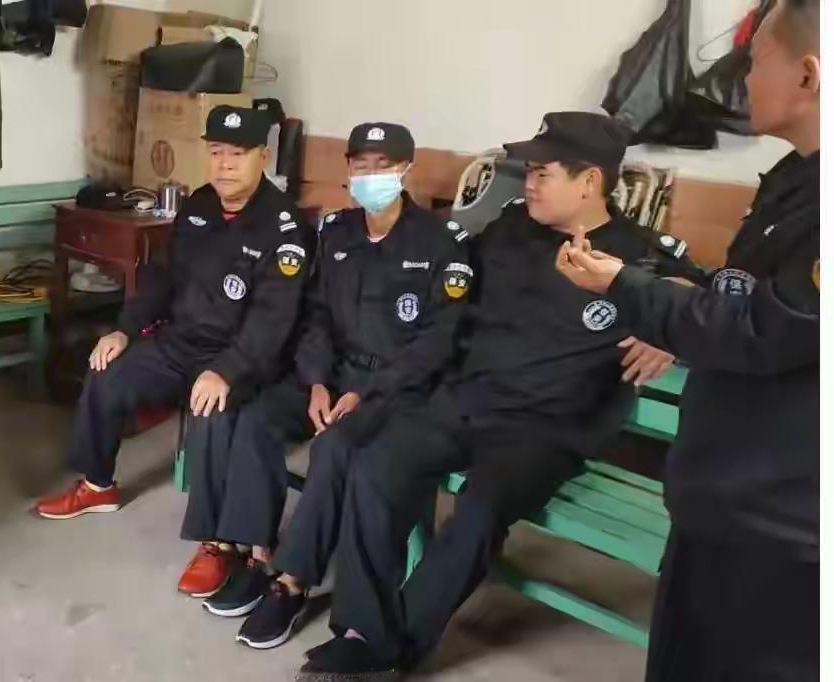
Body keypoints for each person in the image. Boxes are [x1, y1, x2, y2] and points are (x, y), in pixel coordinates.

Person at [295, 111, 704, 679]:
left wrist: (669, 323)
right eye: (528, 172)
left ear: (589, 181)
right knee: (374, 465)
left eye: (543, 173)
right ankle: (363, 631)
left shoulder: (637, 257)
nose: (528, 183)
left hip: (546, 428)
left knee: (479, 511)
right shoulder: (511, 228)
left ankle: (389, 650)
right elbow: (446, 273)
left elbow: (718, 301)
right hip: (467, 401)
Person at [557, 2, 819, 679]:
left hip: (784, 521)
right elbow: (747, 293)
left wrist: (626, 287)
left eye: (754, 62)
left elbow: (766, 330)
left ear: (808, 75)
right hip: (722, 492)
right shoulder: (796, 177)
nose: (741, 80)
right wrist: (677, 288)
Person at [175, 123, 471, 649]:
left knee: (336, 444)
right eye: (360, 165)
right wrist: (315, 382)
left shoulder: (441, 241)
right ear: (349, 170)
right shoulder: (337, 232)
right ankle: (255, 553)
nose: (370, 175)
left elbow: (438, 341)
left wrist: (369, 391)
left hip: (396, 386)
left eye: (383, 165)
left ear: (406, 169)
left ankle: (291, 583)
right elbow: (315, 316)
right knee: (256, 417)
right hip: (332, 376)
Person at [35, 106, 315, 519]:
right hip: (182, 342)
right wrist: (124, 330)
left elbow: (274, 320)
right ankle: (98, 486)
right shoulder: (199, 206)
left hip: (240, 355)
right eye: (217, 152)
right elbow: (161, 278)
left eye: (238, 154)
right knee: (107, 370)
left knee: (213, 409)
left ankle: (217, 537)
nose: (225, 164)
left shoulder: (285, 227)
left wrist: (229, 370)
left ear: (263, 156)